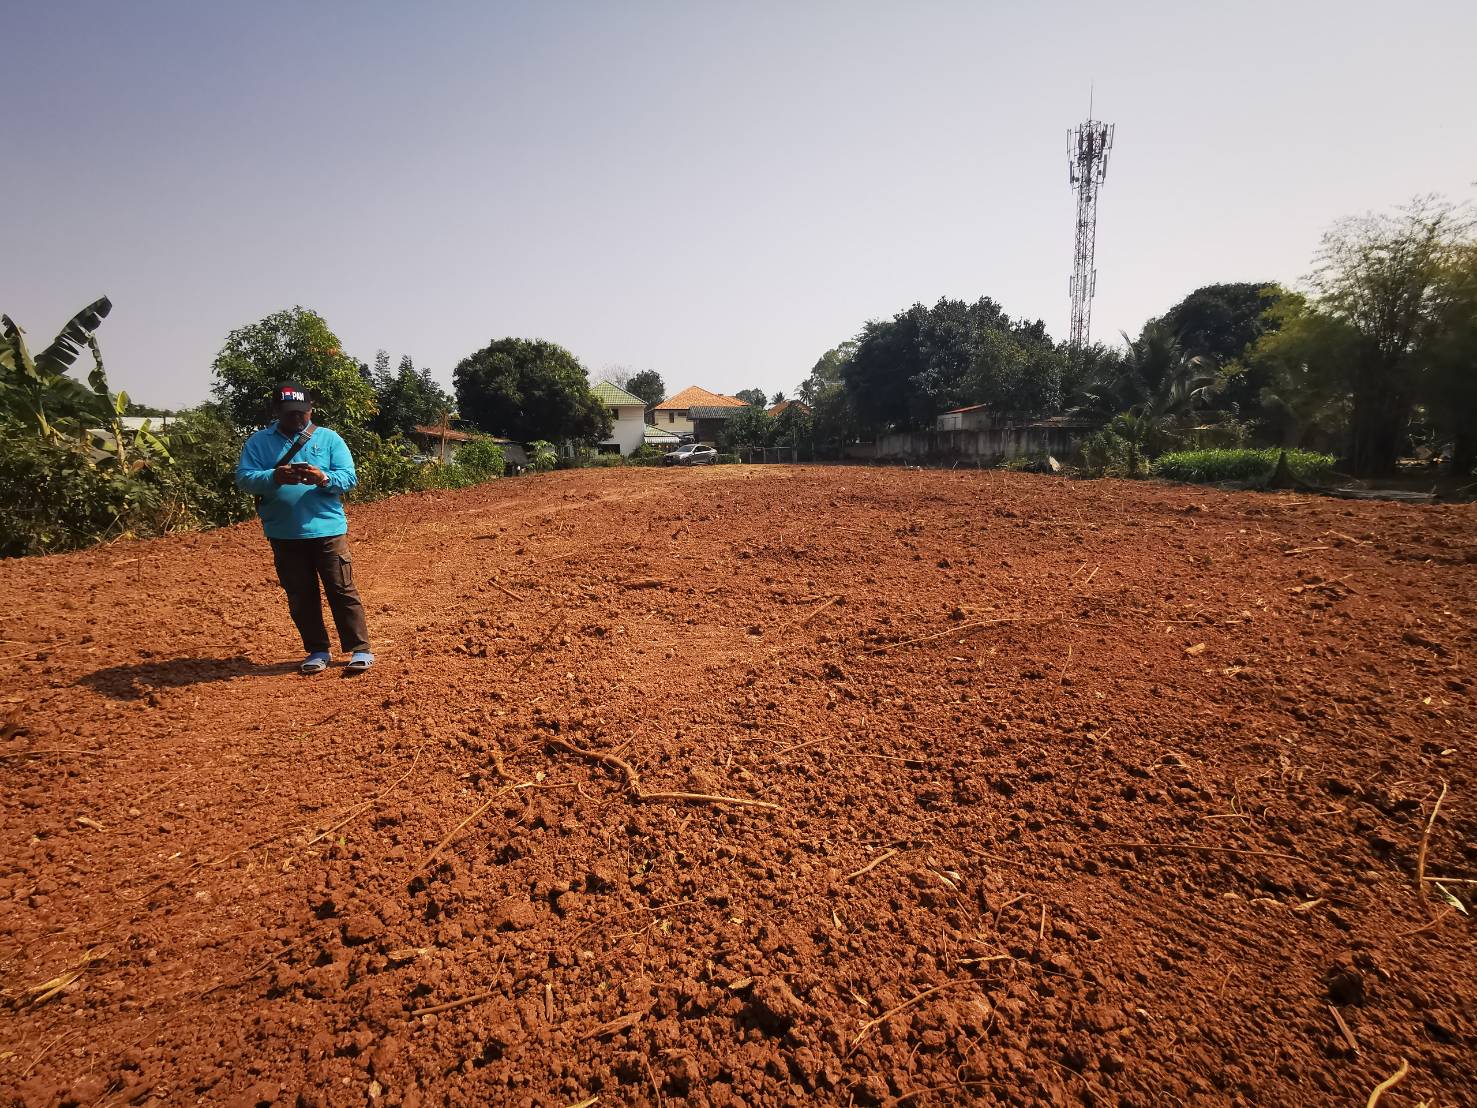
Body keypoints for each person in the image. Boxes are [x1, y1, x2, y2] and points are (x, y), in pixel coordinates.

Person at [235, 383, 374, 674]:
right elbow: (246, 479)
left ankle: (360, 649)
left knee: (341, 589)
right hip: (284, 533)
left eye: (301, 412)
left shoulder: (329, 439)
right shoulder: (258, 443)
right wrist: (273, 477)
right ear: (276, 412)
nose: (297, 418)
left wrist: (323, 478)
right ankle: (318, 650)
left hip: (328, 530)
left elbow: (349, 478)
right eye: (289, 413)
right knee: (300, 595)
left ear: (311, 409)